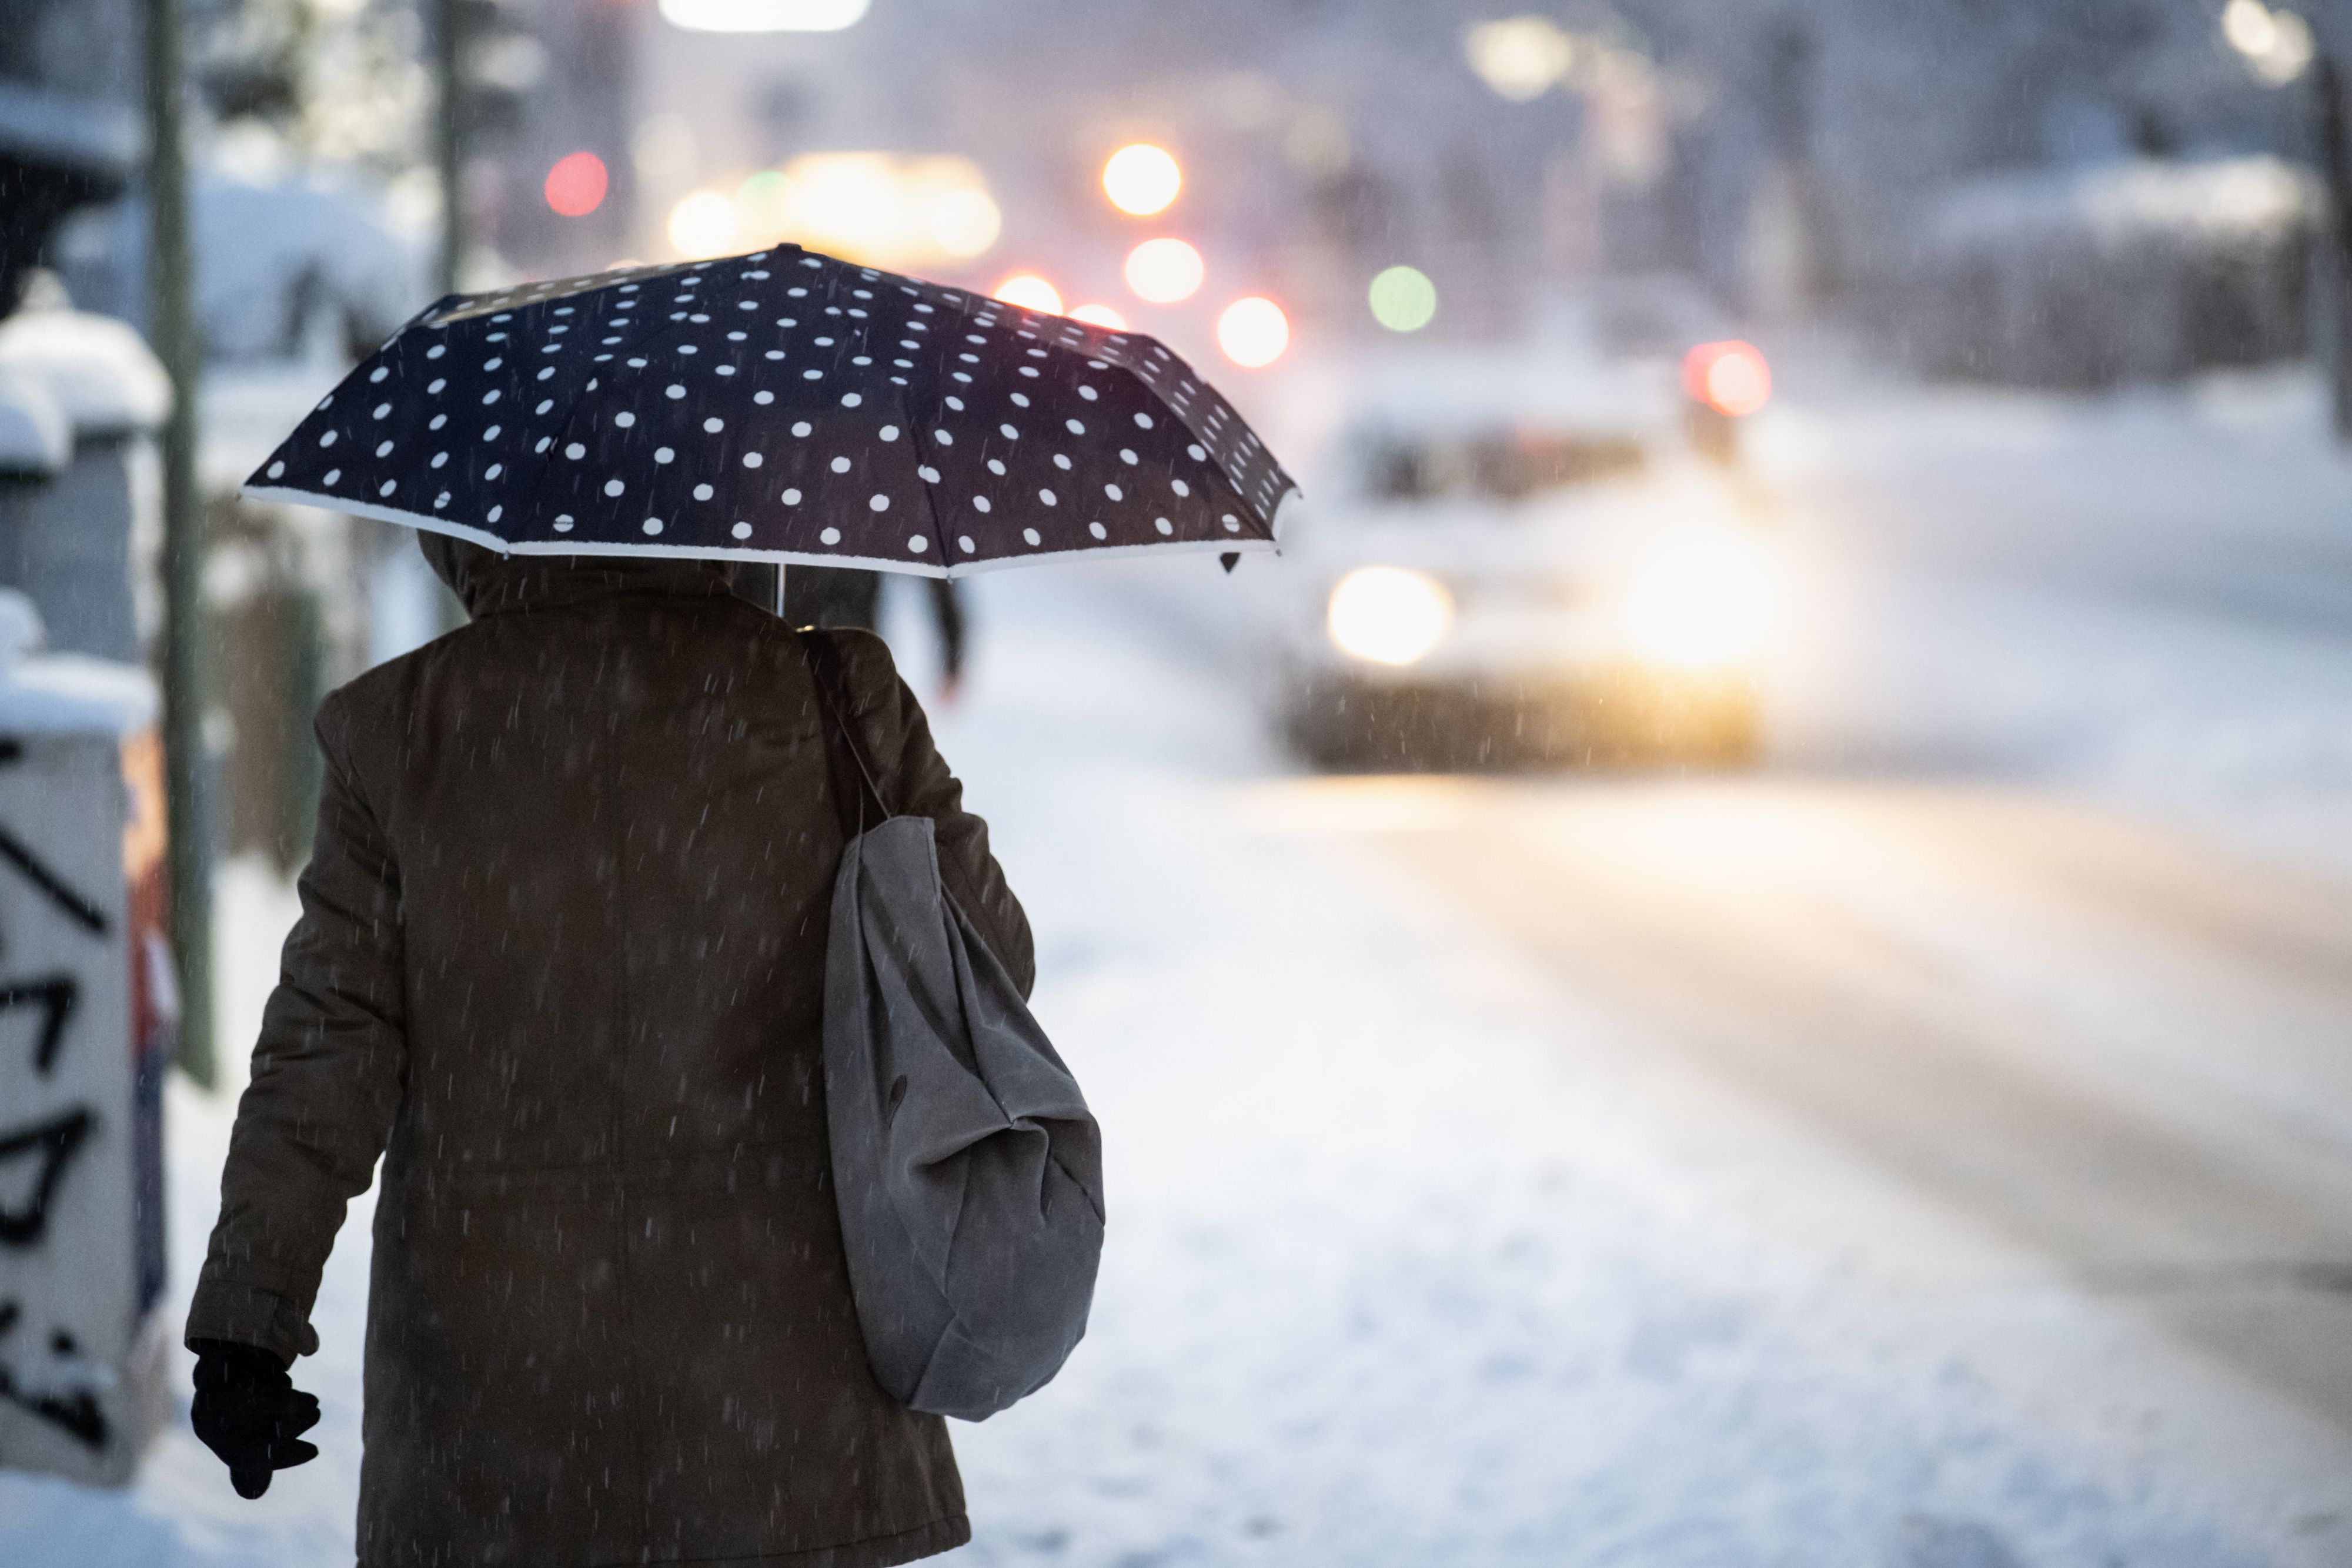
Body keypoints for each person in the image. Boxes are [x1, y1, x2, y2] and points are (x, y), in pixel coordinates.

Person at [185, 534, 1033, 1568]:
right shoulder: (832, 695)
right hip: (780, 1397)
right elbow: (992, 959)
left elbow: (326, 1050)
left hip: (501, 1403)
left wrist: (250, 1315)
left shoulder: (401, 730)